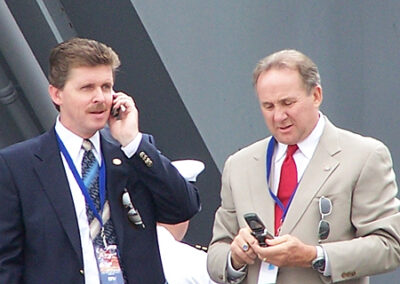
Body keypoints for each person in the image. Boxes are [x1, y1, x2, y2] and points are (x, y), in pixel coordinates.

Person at [0, 37, 200, 284]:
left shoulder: (131, 153)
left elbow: (183, 207)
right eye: (87, 88)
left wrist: (133, 142)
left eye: (106, 87)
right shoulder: (17, 166)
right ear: (57, 93)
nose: (100, 98)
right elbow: (6, 262)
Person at [207, 49, 400, 284]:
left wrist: (313, 256)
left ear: (316, 95)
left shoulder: (364, 156)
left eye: (288, 103)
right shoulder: (239, 165)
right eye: (268, 106)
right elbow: (216, 252)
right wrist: (235, 258)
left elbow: (389, 246)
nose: (279, 116)